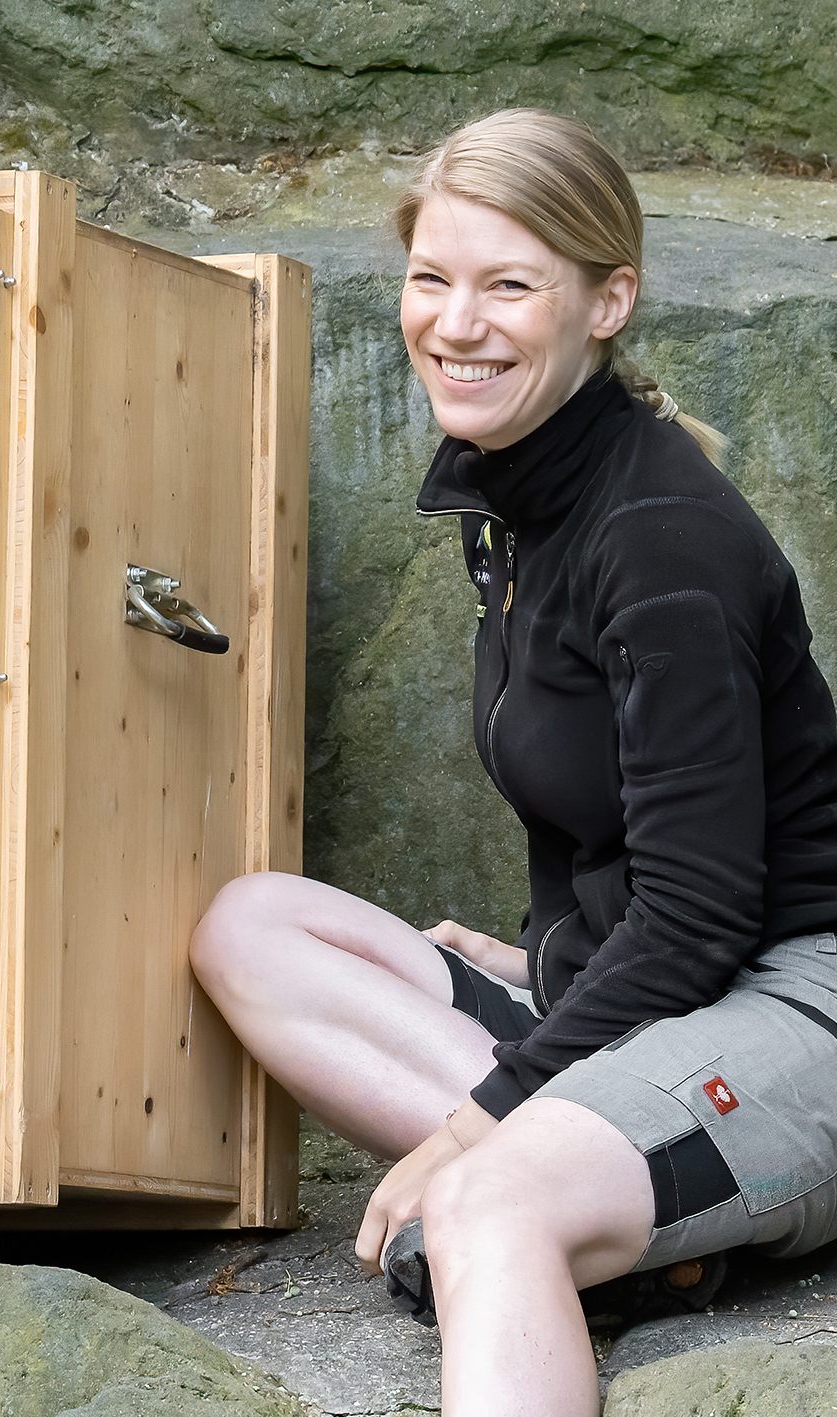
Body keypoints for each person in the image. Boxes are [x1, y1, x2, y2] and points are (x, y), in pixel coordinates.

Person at [189, 108, 837, 1417]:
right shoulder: (520, 500)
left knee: (479, 1204)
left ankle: (565, 1208)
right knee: (249, 926)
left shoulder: (659, 539)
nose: (455, 322)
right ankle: (653, 1233)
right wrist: (537, 958)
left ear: (608, 301)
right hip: (662, 987)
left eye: (507, 285)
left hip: (797, 1007)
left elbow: (705, 905)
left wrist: (470, 1124)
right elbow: (622, 841)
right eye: (430, 279)